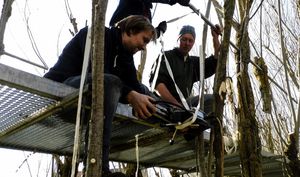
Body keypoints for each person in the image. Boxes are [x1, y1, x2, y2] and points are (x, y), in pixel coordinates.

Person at [44, 15, 157, 176]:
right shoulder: (96, 34)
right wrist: (130, 96)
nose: (144, 47)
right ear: (131, 31)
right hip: (60, 91)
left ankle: (178, 118)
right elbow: (97, 76)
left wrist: (152, 100)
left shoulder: (125, 55)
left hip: (85, 99)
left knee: (143, 91)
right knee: (111, 82)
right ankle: (98, 167)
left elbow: (135, 86)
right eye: (144, 40)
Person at [149, 25, 221, 113]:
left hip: (184, 105)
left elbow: (215, 61)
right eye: (184, 39)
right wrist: (176, 106)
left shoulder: (192, 63)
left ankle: (204, 125)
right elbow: (157, 84)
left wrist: (215, 38)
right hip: (163, 103)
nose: (187, 43)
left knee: (211, 99)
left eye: (190, 41)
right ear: (178, 40)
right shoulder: (166, 57)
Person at [109, 0, 191, 37]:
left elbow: (146, 34)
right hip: (115, 37)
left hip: (126, 54)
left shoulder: (146, 11)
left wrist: (159, 31)